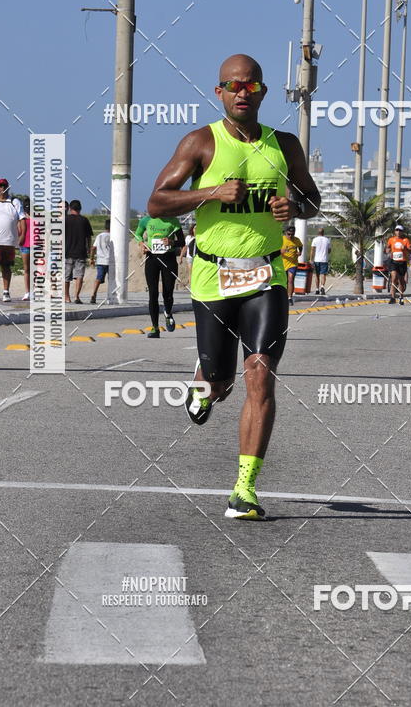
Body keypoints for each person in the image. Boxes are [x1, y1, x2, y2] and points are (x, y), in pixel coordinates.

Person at [147, 53, 320, 520]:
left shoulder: (285, 144)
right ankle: (204, 382)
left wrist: (295, 208)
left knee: (260, 373)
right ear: (219, 92)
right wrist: (211, 192)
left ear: (263, 92)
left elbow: (312, 199)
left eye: (251, 85)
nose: (243, 92)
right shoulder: (201, 142)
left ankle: (244, 489)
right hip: (213, 277)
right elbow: (157, 202)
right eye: (234, 85)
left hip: (267, 275)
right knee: (221, 381)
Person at [134, 213, 185, 337]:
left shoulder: (173, 221)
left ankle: (168, 312)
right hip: (152, 258)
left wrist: (172, 242)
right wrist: (141, 244)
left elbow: (182, 241)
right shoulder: (146, 220)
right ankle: (155, 328)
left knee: (168, 292)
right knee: (153, 294)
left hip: (169, 258)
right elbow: (137, 234)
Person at [64, 200, 93, 304]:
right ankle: (76, 296)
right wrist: (88, 248)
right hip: (81, 252)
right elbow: (89, 237)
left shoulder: (65, 220)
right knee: (79, 276)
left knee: (66, 276)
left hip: (67, 252)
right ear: (80, 209)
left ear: (70, 208)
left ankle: (67, 297)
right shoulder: (84, 220)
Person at [385, 224, 411, 305]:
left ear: (402, 232)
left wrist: (406, 248)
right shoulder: (391, 239)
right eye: (397, 230)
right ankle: (392, 297)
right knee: (393, 278)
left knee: (401, 281)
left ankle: (401, 296)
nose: (398, 232)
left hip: (402, 262)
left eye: (400, 230)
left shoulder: (405, 240)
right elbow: (387, 248)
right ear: (395, 231)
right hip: (393, 261)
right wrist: (388, 251)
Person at [90, 219, 112, 304]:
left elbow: (93, 248)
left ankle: (93, 294)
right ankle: (111, 296)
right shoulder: (113, 236)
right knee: (112, 280)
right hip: (111, 261)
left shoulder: (99, 236)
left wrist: (91, 259)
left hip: (100, 261)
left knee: (98, 278)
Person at [281, 224, 303, 305]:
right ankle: (283, 296)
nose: (290, 236)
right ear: (285, 233)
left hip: (293, 263)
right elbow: (275, 249)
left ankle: (289, 298)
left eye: (292, 234)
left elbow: (300, 246)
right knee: (284, 282)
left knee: (290, 279)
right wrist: (281, 251)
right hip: (282, 263)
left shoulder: (296, 240)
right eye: (289, 234)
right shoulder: (281, 239)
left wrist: (300, 252)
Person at [310, 228, 331, 295]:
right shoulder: (327, 240)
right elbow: (329, 250)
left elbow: (312, 250)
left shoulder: (315, 239)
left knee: (317, 275)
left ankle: (317, 289)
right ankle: (322, 286)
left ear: (318, 233)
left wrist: (311, 259)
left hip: (317, 260)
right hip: (324, 260)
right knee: (323, 274)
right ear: (323, 233)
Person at [20, 197, 31, 301]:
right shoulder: (22, 218)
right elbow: (18, 230)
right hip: (25, 245)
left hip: (37, 245)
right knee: (26, 269)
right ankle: (27, 292)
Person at [178, 223, 196, 288]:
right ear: (192, 229)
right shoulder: (189, 237)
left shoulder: (201, 236)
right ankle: (192, 287)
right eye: (195, 228)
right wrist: (181, 257)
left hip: (199, 258)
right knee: (191, 272)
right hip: (190, 257)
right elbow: (185, 247)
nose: (196, 230)